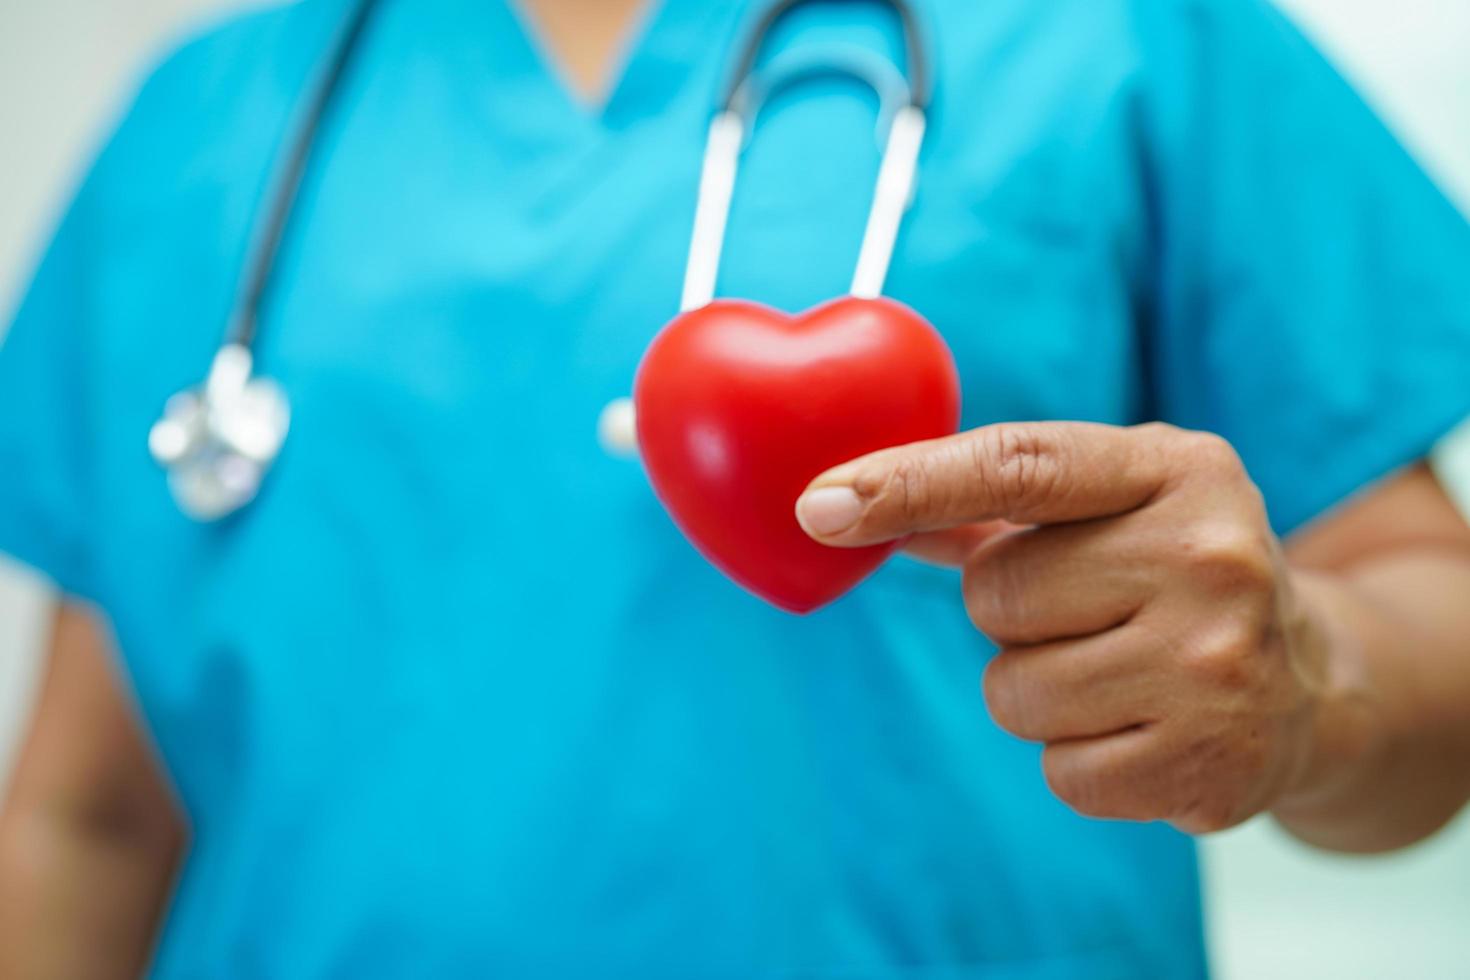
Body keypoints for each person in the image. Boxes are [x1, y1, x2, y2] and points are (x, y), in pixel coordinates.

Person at [2, 0, 1470, 975]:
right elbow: (90, 816)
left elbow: (1429, 618)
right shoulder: (204, 118)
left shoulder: (1125, 34)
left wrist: (1308, 691)